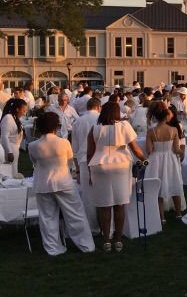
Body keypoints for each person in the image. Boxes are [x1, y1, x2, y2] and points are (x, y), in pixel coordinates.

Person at [28, 112, 95, 256]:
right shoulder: (63, 142)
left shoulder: (32, 145)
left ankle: (53, 248)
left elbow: (34, 163)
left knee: (47, 217)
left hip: (43, 183)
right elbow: (70, 160)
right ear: (56, 126)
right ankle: (86, 245)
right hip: (63, 181)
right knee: (75, 214)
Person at [86, 101, 146, 253]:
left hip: (100, 165)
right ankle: (118, 240)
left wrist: (89, 172)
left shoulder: (95, 128)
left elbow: (89, 153)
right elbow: (135, 149)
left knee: (104, 205)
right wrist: (144, 160)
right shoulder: (125, 126)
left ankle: (106, 240)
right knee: (120, 204)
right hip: (121, 165)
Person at [146, 102, 185, 223]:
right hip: (170, 159)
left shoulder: (151, 131)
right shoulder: (173, 129)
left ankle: (161, 217)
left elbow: (149, 150)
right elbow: (177, 149)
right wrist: (182, 153)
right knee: (175, 183)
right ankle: (178, 214)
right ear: (166, 116)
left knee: (158, 187)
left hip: (156, 159)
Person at [72, 97, 102, 231]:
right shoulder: (102, 119)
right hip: (101, 159)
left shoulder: (78, 121)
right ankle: (107, 227)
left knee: (88, 196)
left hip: (84, 160)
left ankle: (93, 227)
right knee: (104, 193)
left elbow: (75, 148)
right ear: (98, 107)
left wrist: (77, 170)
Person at [0, 98, 27, 176]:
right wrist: (9, 152)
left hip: (14, 148)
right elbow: (4, 136)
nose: (24, 113)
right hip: (8, 149)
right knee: (8, 173)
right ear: (17, 109)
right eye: (23, 111)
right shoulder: (8, 118)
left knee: (13, 171)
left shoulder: (15, 118)